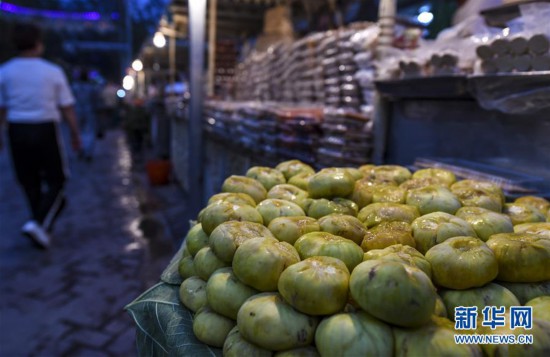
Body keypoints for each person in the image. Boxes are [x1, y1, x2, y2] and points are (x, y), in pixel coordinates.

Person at [0, 23, 81, 249]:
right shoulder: (52, 72)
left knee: (29, 181)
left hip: (16, 130)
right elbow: (67, 107)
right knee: (58, 180)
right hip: (45, 129)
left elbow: (1, 108)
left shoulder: (4, 72)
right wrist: (75, 133)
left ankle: (39, 225)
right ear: (38, 44)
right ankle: (38, 223)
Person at [72, 68, 98, 161]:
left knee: (78, 131)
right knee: (89, 132)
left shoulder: (74, 87)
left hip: (77, 111)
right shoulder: (92, 88)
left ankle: (81, 149)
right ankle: (87, 151)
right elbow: (95, 101)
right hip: (89, 111)